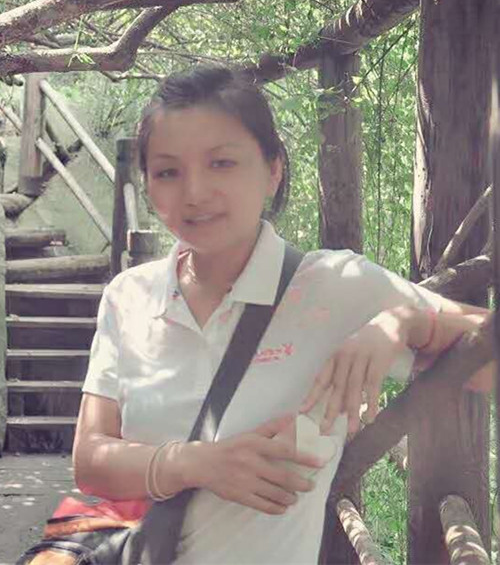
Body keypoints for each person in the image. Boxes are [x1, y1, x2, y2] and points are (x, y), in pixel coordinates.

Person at [73, 65, 492, 564]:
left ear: (273, 170)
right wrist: (196, 464)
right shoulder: (129, 296)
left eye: (222, 163)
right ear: (147, 184)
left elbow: (488, 356)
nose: (195, 192)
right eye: (168, 172)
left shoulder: (333, 286)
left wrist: (406, 322)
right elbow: (90, 460)